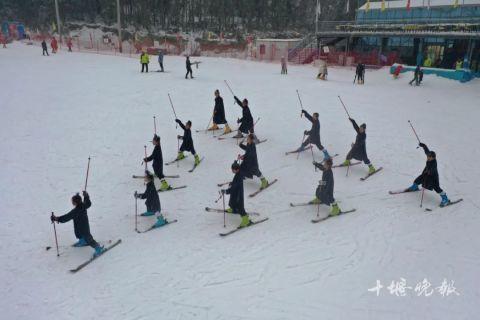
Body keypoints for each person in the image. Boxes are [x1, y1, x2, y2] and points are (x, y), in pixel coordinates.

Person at [50, 191, 105, 257]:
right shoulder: (83, 205)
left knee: (88, 238)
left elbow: (66, 217)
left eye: (72, 201)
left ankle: (98, 248)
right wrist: (86, 196)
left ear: (75, 202)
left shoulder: (75, 211)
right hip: (79, 226)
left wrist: (56, 218)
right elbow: (88, 203)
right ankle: (83, 241)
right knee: (78, 233)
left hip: (84, 227)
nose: (72, 202)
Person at [221, 161, 251, 228]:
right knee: (232, 202)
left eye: (233, 169)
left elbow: (234, 188)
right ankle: (233, 209)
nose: (232, 170)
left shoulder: (239, 176)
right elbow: (235, 183)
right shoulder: (238, 174)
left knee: (240, 207)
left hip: (238, 195)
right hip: (235, 193)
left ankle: (246, 220)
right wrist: (232, 183)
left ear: (237, 169)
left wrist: (226, 191)